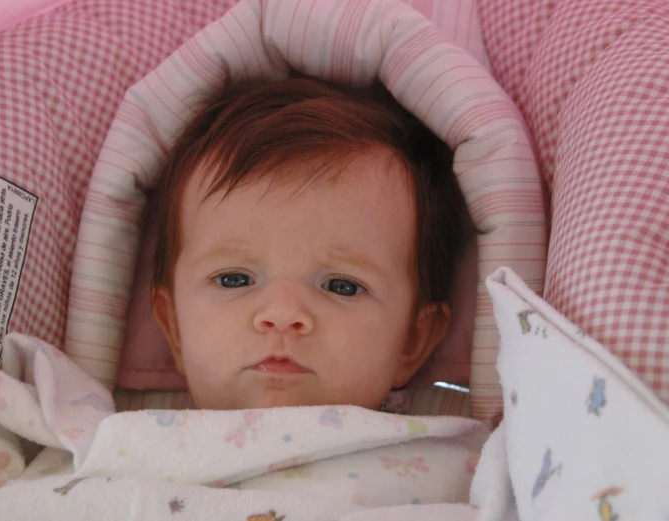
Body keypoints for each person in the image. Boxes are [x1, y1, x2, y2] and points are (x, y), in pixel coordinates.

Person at [151, 76, 471, 411]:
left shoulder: (469, 459)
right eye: (234, 279)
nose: (282, 314)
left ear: (411, 340)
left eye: (341, 286)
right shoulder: (113, 446)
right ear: (174, 326)